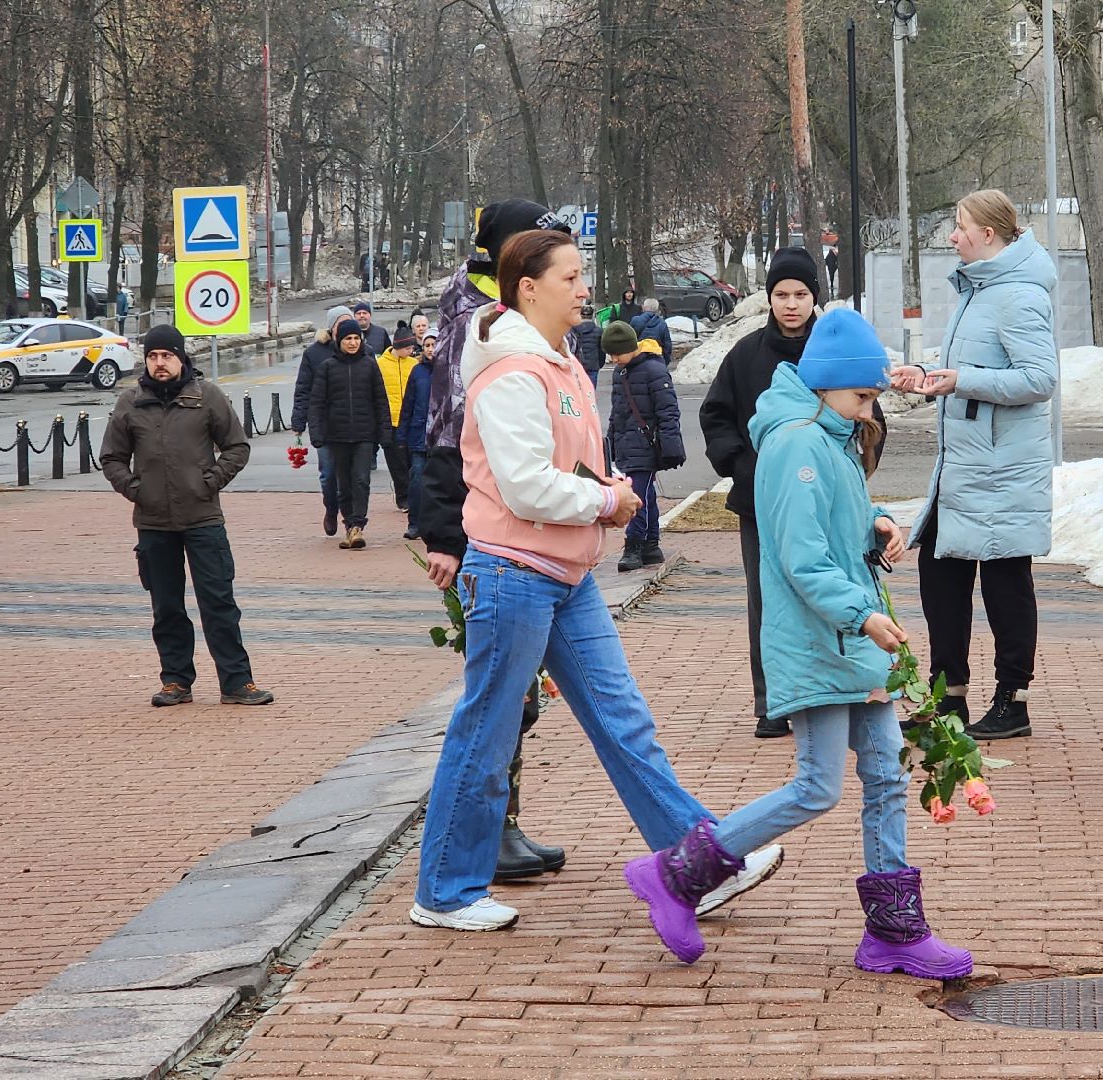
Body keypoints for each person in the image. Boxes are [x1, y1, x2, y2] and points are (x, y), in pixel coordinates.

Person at [411, 228, 780, 933]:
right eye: (572, 277)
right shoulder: (513, 372)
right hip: (513, 574)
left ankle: (697, 865)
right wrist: (607, 501)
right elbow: (523, 488)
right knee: (486, 734)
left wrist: (605, 485)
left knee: (624, 722)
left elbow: (566, 463)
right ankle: (445, 892)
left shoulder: (561, 364)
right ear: (528, 288)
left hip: (565, 575)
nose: (586, 288)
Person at [623, 307, 971, 978]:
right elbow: (799, 557)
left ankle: (895, 933)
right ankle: (676, 875)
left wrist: (876, 522)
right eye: (863, 395)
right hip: (821, 638)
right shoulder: (797, 444)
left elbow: (833, 523)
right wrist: (860, 615)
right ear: (825, 384)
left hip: (847, 636)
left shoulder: (830, 435)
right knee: (817, 787)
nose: (870, 410)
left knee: (886, 774)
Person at [414, 198, 577, 883]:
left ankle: (500, 827)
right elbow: (451, 436)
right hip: (485, 528)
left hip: (530, 530)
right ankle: (477, 840)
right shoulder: (476, 320)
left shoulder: (510, 314)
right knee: (497, 699)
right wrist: (446, 535)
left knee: (515, 694)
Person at [888, 189, 1057, 740]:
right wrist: (928, 373)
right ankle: (949, 696)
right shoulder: (978, 290)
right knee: (941, 577)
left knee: (1006, 584)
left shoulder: (1019, 295)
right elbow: (973, 366)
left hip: (1001, 472)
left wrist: (962, 380)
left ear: (988, 233)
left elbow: (1039, 379)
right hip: (961, 468)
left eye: (959, 227)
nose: (952, 237)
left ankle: (1014, 700)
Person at [99, 324, 273, 708]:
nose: (160, 363)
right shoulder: (131, 401)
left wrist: (209, 482)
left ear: (181, 358)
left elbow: (236, 447)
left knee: (219, 603)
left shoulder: (205, 396)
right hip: (154, 522)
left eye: (167, 356)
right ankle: (175, 681)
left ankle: (237, 682)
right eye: (153, 356)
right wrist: (134, 489)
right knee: (167, 606)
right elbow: (111, 457)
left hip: (203, 518)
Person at [700, 246, 826, 738]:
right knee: (767, 600)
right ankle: (771, 701)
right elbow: (715, 416)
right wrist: (740, 466)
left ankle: (824, 694)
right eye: (780, 294)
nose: (791, 304)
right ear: (769, 298)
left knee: (823, 595)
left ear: (815, 296)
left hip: (822, 502)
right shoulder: (745, 354)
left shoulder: (831, 352)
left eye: (800, 293)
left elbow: (864, 413)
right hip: (761, 502)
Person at [603, 321, 685, 572]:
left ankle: (634, 545)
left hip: (647, 445)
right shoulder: (621, 373)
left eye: (617, 353)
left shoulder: (654, 370)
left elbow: (668, 412)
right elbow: (618, 412)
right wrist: (611, 443)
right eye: (610, 354)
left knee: (637, 495)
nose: (614, 359)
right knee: (646, 494)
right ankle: (651, 545)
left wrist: (672, 447)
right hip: (628, 443)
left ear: (631, 347)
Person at [308, 318, 391, 549]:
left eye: (356, 338)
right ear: (339, 341)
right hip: (337, 436)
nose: (353, 343)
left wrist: (384, 434)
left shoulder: (369, 365)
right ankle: (348, 525)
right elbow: (317, 403)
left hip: (365, 435)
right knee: (343, 484)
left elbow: (380, 401)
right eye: (348, 339)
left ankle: (357, 526)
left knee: (361, 480)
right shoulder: (327, 367)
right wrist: (316, 432)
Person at [292, 305, 354, 536]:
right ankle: (331, 508)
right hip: (325, 425)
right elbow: (303, 390)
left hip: (352, 424)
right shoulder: (314, 354)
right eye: (340, 324)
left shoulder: (361, 351)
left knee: (350, 475)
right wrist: (298, 423)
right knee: (328, 474)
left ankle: (351, 520)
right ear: (331, 328)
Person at [395, 328, 438, 540]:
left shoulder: (450, 370)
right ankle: (415, 523)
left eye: (434, 344)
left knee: (441, 482)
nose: (431, 349)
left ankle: (437, 523)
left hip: (442, 436)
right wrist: (402, 435)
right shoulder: (418, 371)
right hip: (419, 434)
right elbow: (408, 405)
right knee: (417, 480)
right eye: (427, 345)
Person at [377, 322, 421, 512]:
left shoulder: (414, 364)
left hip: (410, 421)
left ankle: (414, 497)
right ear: (398, 347)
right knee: (397, 464)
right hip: (391, 421)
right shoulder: (380, 365)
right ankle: (402, 498)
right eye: (409, 348)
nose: (412, 351)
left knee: (413, 462)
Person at [630, 297, 673, 364]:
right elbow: (667, 346)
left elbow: (629, 341)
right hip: (656, 359)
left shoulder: (635, 320)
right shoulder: (662, 323)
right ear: (657, 309)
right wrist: (665, 363)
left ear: (644, 307)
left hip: (638, 359)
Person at [571, 306, 604, 386]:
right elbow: (601, 350)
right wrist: (600, 363)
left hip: (577, 363)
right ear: (592, 316)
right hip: (593, 364)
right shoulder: (599, 330)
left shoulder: (573, 329)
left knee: (577, 390)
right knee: (591, 390)